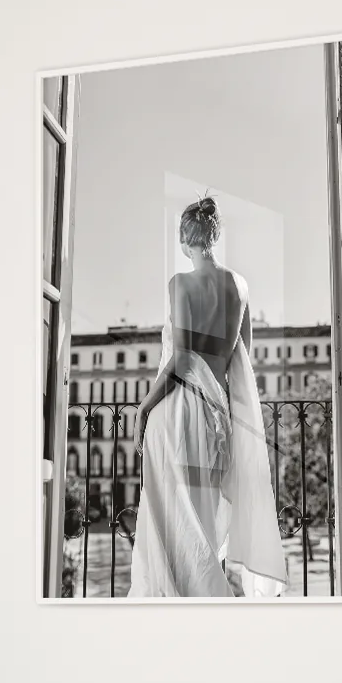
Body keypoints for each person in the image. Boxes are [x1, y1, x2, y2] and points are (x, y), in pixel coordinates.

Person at [128, 197, 286, 598]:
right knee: (203, 518)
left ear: (185, 239)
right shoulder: (240, 287)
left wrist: (145, 407)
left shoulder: (180, 284)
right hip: (218, 418)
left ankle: (188, 605)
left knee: (172, 523)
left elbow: (180, 359)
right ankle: (207, 606)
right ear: (214, 237)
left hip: (178, 413)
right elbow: (241, 360)